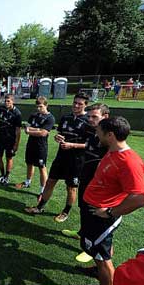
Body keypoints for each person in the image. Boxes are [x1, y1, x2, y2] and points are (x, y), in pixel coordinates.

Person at [80, 116, 144, 285]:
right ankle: (98, 270)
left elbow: (139, 198)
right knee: (98, 252)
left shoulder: (129, 161)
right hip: (93, 211)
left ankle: (105, 274)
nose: (97, 135)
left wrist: (110, 212)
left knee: (102, 258)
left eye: (99, 132)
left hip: (101, 216)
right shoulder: (112, 150)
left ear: (110, 135)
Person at [25, 93, 90, 223]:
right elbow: (59, 134)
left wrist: (72, 145)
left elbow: (90, 144)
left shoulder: (89, 121)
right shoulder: (66, 117)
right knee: (50, 182)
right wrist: (57, 138)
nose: (76, 105)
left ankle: (65, 212)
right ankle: (40, 207)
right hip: (61, 157)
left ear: (85, 105)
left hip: (76, 160)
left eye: (80, 104)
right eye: (75, 102)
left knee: (71, 187)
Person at [59, 103, 110, 263]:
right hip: (86, 176)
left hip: (100, 184)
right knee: (84, 208)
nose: (90, 119)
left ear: (105, 117)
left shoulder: (109, 137)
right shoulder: (91, 132)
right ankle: (82, 233)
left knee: (96, 215)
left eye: (94, 116)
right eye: (89, 116)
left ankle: (92, 248)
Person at [15, 97, 55, 194]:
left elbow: (43, 133)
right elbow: (26, 128)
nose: (38, 109)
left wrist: (32, 130)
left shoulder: (50, 118)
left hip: (41, 146)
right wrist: (37, 129)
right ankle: (27, 182)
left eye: (40, 106)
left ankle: (42, 191)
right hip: (31, 144)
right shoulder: (33, 115)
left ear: (46, 105)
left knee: (42, 167)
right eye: (37, 107)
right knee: (29, 164)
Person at [0, 94, 22, 183]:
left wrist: (16, 144)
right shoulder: (1, 109)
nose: (6, 103)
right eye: (5, 101)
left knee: (9, 158)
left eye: (8, 101)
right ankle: (2, 174)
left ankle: (7, 176)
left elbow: (18, 130)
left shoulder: (17, 113)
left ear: (12, 101)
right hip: (0, 137)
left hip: (10, 139)